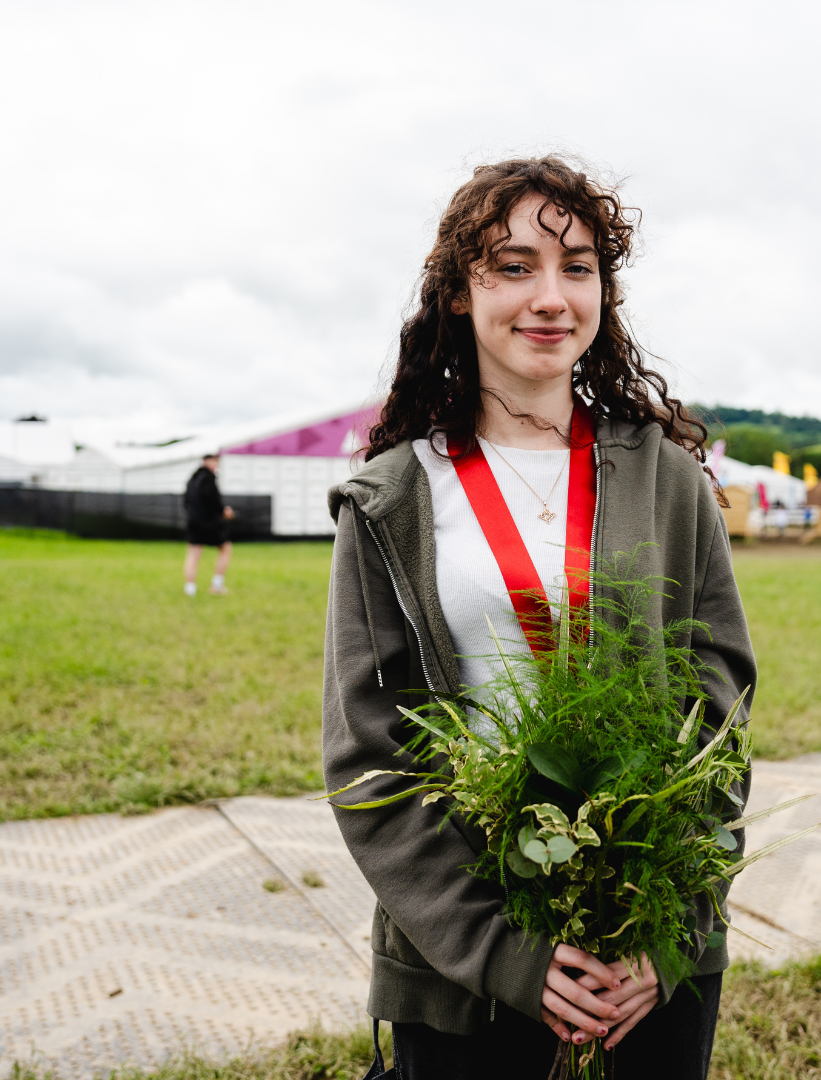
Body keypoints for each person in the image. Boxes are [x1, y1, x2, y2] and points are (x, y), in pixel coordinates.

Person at [322, 157, 756, 1080]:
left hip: (651, 957)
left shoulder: (667, 478)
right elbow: (368, 757)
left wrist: (669, 925)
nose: (551, 297)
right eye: (513, 267)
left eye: (579, 267)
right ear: (456, 294)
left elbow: (719, 706)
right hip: (470, 960)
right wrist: (504, 955)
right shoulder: (393, 498)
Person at [182, 453, 235, 596]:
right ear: (209, 461)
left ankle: (190, 590)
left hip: (193, 521)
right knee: (225, 549)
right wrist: (224, 511)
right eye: (215, 461)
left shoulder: (192, 479)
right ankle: (216, 586)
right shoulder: (209, 478)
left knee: (193, 554)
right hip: (209, 523)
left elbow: (186, 501)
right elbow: (212, 500)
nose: (216, 464)